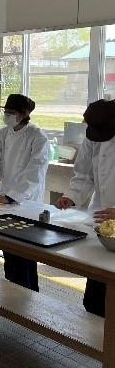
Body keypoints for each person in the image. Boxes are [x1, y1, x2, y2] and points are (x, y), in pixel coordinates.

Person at [0, 94, 49, 292]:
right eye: (6, 112)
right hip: (5, 198)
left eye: (11, 112)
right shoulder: (4, 133)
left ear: (24, 114)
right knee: (10, 252)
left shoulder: (37, 136)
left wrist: (11, 196)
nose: (7, 115)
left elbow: (35, 171)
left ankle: (28, 294)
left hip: (27, 201)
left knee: (25, 254)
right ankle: (12, 294)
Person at [56, 99, 115, 317]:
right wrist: (71, 196)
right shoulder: (95, 135)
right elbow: (84, 173)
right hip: (101, 223)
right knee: (95, 300)